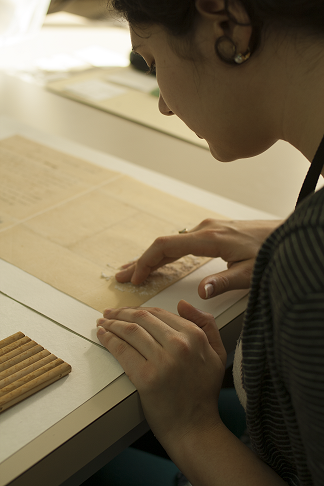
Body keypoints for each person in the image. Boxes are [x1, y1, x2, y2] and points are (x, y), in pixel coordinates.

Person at [96, 1, 324, 484]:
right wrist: (288, 234)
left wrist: (190, 426)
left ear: (229, 24)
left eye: (152, 62)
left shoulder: (310, 257)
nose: (163, 102)